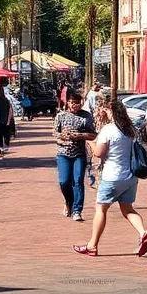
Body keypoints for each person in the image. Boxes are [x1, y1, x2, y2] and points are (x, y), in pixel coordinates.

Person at [74, 94, 147, 258]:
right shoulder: (129, 130)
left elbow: (99, 154)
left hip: (112, 176)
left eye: (106, 110)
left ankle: (92, 245)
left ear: (112, 112)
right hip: (130, 177)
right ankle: (143, 232)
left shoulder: (108, 130)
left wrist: (91, 142)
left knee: (101, 209)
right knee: (128, 208)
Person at [55, 90, 96, 222]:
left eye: (77, 103)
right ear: (67, 103)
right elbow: (55, 133)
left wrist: (80, 135)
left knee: (78, 180)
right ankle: (69, 202)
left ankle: (77, 210)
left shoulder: (86, 116)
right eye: (71, 102)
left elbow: (93, 134)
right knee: (64, 181)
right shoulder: (61, 116)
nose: (74, 105)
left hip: (79, 153)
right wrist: (64, 136)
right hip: (63, 153)